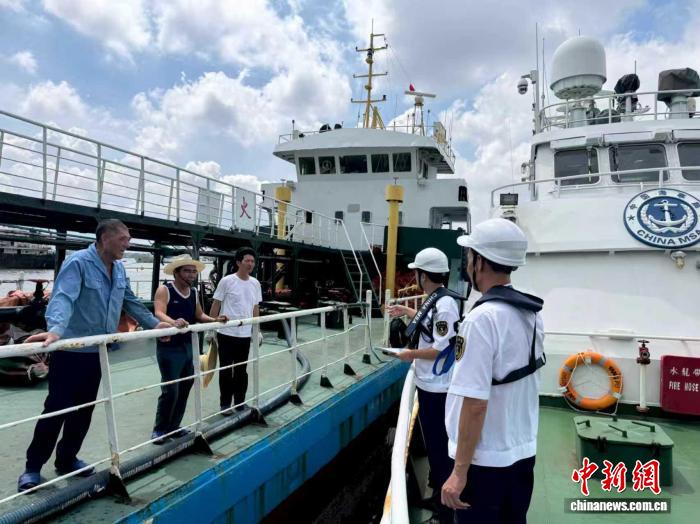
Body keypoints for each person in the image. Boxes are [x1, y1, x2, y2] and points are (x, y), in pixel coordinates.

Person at [18, 219, 172, 492]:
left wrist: (154, 324)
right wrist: (55, 330)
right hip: (70, 351)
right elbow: (63, 297)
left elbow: (130, 301)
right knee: (57, 409)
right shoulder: (78, 263)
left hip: (98, 351)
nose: (128, 244)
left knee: (84, 410)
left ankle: (67, 459)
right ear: (104, 239)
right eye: (123, 239)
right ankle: (33, 467)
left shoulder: (119, 269)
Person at [441, 218, 545, 523]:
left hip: (484, 463)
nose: (467, 262)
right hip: (522, 454)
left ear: (480, 261)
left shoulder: (481, 319)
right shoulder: (531, 313)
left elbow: (475, 404)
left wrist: (459, 473)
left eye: (470, 255)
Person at [388, 247, 461, 524]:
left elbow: (441, 348)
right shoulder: (436, 299)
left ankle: (446, 514)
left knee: (441, 450)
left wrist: (410, 354)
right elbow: (430, 326)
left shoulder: (445, 304)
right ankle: (440, 497)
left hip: (437, 389)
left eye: (417, 272)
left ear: (423, 275)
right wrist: (407, 310)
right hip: (429, 385)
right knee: (434, 447)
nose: (415, 277)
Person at [151, 254, 228, 443]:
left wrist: (215, 320)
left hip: (190, 346)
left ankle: (174, 427)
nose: (191, 274)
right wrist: (173, 322)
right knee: (171, 390)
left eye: (194, 271)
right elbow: (159, 312)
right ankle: (160, 429)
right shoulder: (165, 290)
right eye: (187, 271)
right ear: (176, 273)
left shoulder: (193, 292)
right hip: (170, 347)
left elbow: (199, 315)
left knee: (186, 387)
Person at [209, 247, 262, 415]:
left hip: (245, 335)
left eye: (252, 261)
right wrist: (211, 327)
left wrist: (256, 330)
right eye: (247, 260)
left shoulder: (255, 283)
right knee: (225, 370)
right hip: (226, 333)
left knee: (241, 370)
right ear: (238, 262)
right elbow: (216, 304)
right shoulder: (227, 281)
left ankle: (240, 403)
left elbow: (255, 307)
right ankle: (225, 404)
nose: (250, 264)